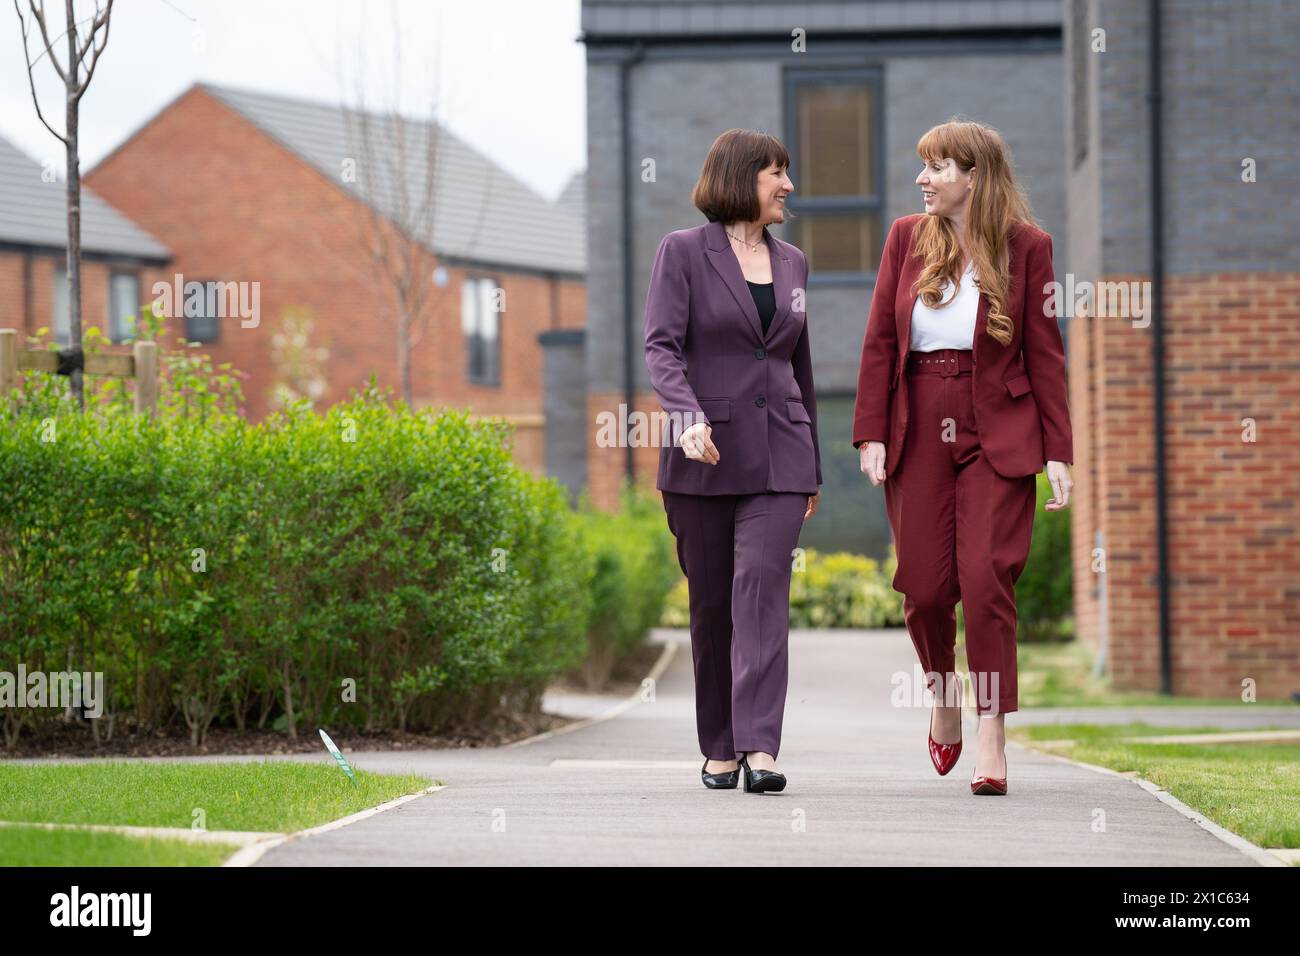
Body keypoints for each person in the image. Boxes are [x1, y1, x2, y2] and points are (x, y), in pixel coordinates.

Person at [852, 119, 1075, 796]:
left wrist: (1058, 450)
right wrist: (870, 432)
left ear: (974, 178)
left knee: (985, 582)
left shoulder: (1027, 247)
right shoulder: (904, 238)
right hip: (917, 422)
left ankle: (991, 731)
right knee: (923, 589)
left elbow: (1045, 352)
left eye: (938, 167)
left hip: (997, 428)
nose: (923, 179)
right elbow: (879, 342)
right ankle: (944, 692)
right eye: (924, 166)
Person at [643, 128, 822, 794]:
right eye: (777, 172)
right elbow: (661, 347)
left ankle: (761, 747)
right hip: (706, 457)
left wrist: (812, 464)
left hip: (781, 456)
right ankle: (719, 746)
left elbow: (799, 364)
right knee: (713, 605)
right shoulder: (683, 252)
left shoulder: (794, 263)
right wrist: (685, 417)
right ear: (742, 177)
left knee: (762, 594)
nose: (788, 186)